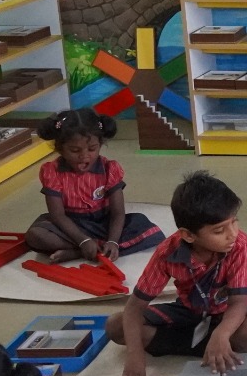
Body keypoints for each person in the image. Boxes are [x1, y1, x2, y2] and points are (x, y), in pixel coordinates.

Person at [106, 171, 247, 376]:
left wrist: (221, 334)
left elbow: (239, 303)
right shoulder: (167, 253)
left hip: (230, 313)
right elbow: (134, 307)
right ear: (188, 235)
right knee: (115, 325)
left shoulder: (241, 245)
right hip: (190, 310)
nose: (232, 234)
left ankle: (211, 342)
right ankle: (206, 344)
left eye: (234, 222)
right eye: (219, 230)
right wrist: (135, 356)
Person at [25, 108, 163, 262]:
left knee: (144, 226)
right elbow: (58, 216)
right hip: (70, 226)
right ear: (60, 149)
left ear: (100, 144)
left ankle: (81, 251)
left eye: (92, 149)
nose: (84, 156)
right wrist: (82, 239)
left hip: (104, 224)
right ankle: (86, 248)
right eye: (75, 150)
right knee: (36, 235)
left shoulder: (109, 169)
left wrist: (113, 241)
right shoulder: (52, 171)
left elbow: (118, 213)